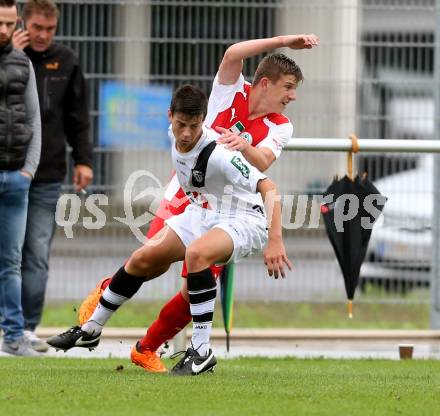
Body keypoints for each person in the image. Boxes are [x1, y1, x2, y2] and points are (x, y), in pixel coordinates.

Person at [77, 34, 318, 372]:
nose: (293, 96)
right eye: (289, 87)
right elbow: (233, 51)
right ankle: (101, 299)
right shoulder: (232, 90)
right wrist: (284, 41)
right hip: (185, 194)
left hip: (229, 211)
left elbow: (262, 162)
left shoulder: (282, 125)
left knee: (195, 289)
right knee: (152, 259)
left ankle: (146, 348)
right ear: (265, 83)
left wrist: (243, 146)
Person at [47, 84, 291, 376]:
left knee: (198, 255)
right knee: (142, 259)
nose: (186, 133)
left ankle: (201, 352)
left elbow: (269, 187)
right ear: (170, 117)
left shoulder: (220, 152)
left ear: (204, 122)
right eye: (181, 125)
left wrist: (275, 240)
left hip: (243, 220)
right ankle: (91, 329)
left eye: (194, 126)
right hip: (202, 212)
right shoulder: (173, 137)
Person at [12, 0, 93, 352]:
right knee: (7, 253)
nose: (43, 36)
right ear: (21, 24)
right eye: (36, 28)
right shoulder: (6, 55)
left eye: (50, 29)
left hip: (46, 174)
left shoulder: (68, 61)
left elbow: (77, 116)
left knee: (36, 253)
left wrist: (84, 160)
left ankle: (26, 328)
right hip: (7, 168)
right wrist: (8, 57)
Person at [0, 0, 42, 356]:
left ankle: (13, 336)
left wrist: (28, 170)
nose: (4, 30)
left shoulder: (22, 63)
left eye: (9, 24)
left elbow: (33, 120)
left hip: (16, 178)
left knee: (11, 262)